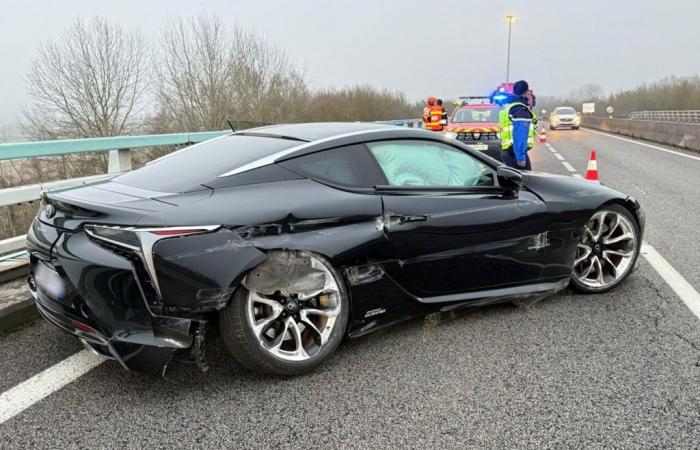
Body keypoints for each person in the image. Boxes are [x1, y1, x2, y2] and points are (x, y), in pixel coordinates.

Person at [498, 80, 538, 170]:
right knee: (525, 182)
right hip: (515, 154)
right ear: (527, 92)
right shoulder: (520, 110)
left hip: (509, 152)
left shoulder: (509, 106)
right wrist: (521, 159)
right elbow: (520, 135)